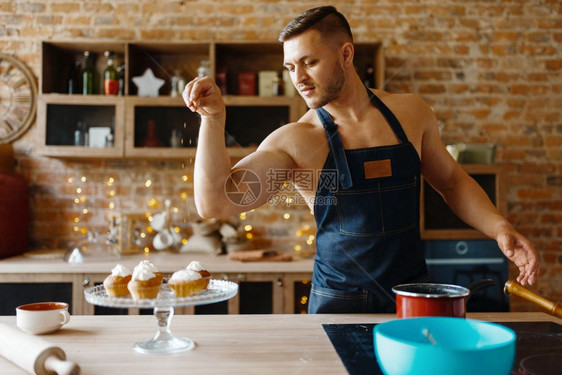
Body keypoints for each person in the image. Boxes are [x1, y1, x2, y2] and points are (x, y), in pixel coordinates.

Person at [183, 6, 539, 313]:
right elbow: (214, 202)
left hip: (414, 297)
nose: (299, 79)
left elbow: (451, 182)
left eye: (310, 62)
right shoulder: (296, 139)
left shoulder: (412, 113)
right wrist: (212, 119)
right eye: (291, 67)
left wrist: (499, 229)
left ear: (346, 54)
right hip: (337, 304)